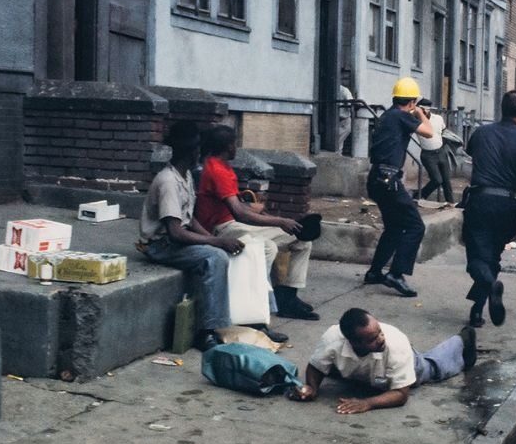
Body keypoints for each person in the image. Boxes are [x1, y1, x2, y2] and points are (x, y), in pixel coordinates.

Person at [140, 121, 245, 352]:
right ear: (191, 151)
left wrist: (213, 238)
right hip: (161, 245)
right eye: (198, 149)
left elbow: (189, 218)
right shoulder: (168, 181)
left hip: (173, 240)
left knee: (222, 253)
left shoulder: (185, 175)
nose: (200, 153)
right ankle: (206, 331)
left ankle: (224, 322)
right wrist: (216, 242)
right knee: (215, 258)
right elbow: (176, 232)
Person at [195, 125, 319, 321]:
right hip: (221, 229)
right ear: (228, 146)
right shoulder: (216, 170)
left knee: (301, 241)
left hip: (234, 225)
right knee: (267, 247)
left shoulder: (221, 166)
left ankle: (287, 299)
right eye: (235, 143)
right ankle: (256, 303)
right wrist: (279, 221)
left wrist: (255, 208)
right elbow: (239, 215)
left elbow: (233, 204)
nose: (236, 147)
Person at [461, 90, 516, 328]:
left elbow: (471, 156)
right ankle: (477, 312)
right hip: (509, 205)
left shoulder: (481, 133)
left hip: (480, 200)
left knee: (476, 260)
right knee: (492, 258)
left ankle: (490, 286)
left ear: (502, 107)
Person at [290, 308, 477, 414]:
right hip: (362, 372)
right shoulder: (333, 337)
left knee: (431, 367)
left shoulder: (395, 343)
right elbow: (316, 366)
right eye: (372, 339)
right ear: (353, 341)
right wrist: (312, 388)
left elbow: (401, 395)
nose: (381, 338)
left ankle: (461, 341)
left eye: (379, 331)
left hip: (398, 368)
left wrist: (367, 403)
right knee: (330, 366)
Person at [364, 78, 433, 298]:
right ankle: (396, 274)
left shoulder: (388, 116)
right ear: (412, 102)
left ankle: (375, 272)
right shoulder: (402, 116)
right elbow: (429, 133)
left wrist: (413, 113)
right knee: (415, 226)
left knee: (394, 227)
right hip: (389, 181)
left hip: (377, 178)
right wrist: (421, 114)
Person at [415, 99, 454, 203]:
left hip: (441, 151)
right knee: (437, 180)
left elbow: (444, 132)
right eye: (422, 109)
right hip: (428, 154)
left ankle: (450, 203)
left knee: (446, 181)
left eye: (427, 109)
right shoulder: (415, 121)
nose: (425, 111)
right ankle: (419, 195)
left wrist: (444, 144)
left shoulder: (438, 118)